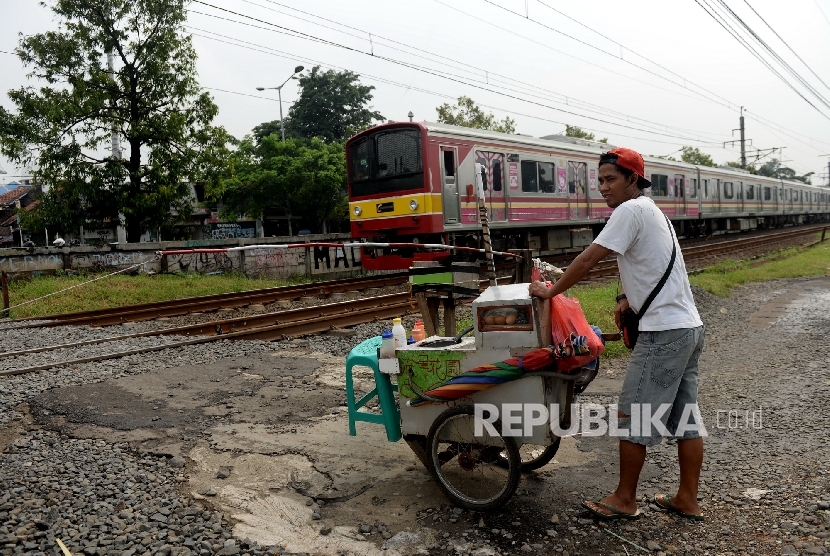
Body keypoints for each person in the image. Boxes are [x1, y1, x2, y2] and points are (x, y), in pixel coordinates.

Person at [528, 147, 706, 521]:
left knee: (633, 414)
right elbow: (652, 263)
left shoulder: (629, 210)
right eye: (600, 181)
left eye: (610, 179)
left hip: (664, 333)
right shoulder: (653, 211)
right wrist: (627, 298)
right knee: (687, 419)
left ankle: (625, 499)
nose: (603, 187)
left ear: (633, 180)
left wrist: (550, 291)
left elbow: (589, 259)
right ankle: (686, 499)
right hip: (689, 327)